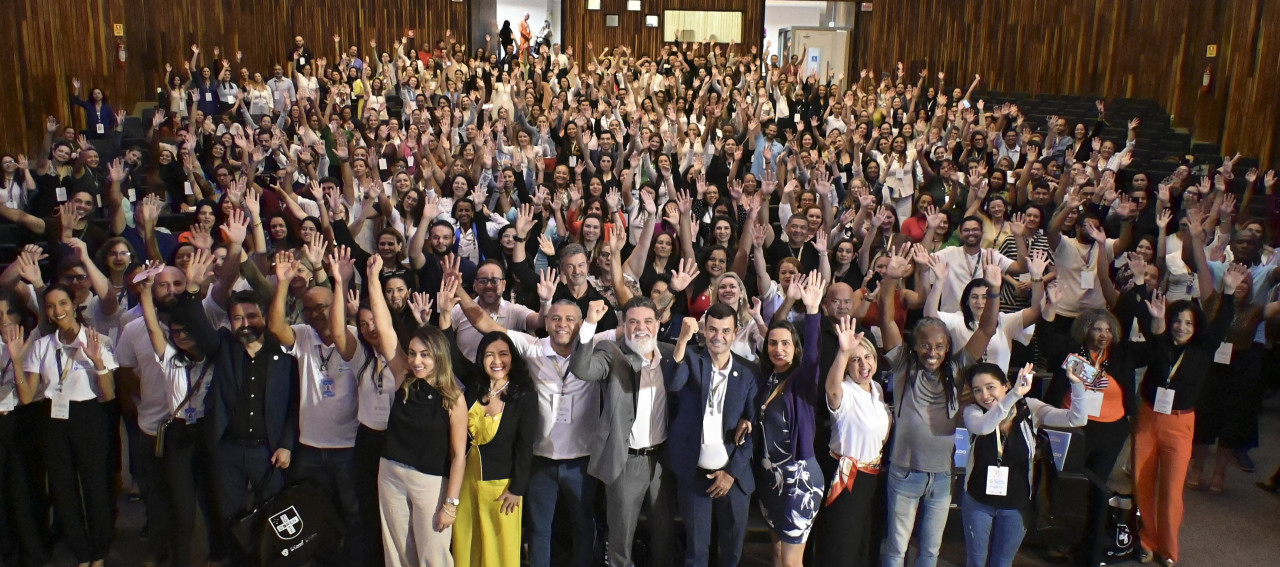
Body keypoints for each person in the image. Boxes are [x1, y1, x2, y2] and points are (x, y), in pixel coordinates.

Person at [878, 246, 1001, 567]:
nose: (932, 352)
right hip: (906, 473)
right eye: (925, 345)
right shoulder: (903, 365)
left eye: (940, 346)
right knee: (896, 550)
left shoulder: (957, 369)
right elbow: (886, 319)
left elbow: (987, 329)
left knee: (930, 552)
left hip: (943, 476)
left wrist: (993, 291)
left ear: (948, 348)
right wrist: (890, 279)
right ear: (915, 346)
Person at [1132, 265, 1243, 566]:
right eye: (1177, 321)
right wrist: (1141, 287)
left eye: (1188, 323)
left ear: (1196, 327)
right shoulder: (1159, 342)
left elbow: (1222, 322)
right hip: (1148, 419)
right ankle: (1145, 541)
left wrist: (1229, 291)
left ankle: (1168, 549)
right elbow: (1143, 316)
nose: (1181, 327)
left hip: (1180, 425)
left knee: (1171, 492)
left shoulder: (1203, 349)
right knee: (1142, 483)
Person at [569, 297, 676, 567]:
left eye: (648, 321)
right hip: (626, 461)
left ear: (658, 324)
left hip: (662, 461)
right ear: (623, 325)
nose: (641, 327)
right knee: (621, 540)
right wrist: (589, 323)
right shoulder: (611, 353)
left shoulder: (670, 354)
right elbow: (581, 368)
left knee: (664, 535)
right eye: (633, 322)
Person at [20, 284, 118, 567]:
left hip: (89, 416)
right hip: (53, 418)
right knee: (62, 488)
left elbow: (108, 394)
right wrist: (16, 359)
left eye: (63, 303)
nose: (58, 310)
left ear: (74, 305)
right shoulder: (42, 345)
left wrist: (97, 360)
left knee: (95, 485)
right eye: (51, 306)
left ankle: (99, 551)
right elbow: (28, 394)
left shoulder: (97, 340)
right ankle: (81, 551)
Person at [961, 362, 1088, 567]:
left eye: (990, 387)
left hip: (1016, 503)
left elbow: (1077, 419)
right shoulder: (973, 411)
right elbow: (983, 428)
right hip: (978, 501)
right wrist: (1013, 395)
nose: (985, 395)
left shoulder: (1029, 407)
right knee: (976, 561)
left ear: (1005, 385)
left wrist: (1077, 385)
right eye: (977, 390)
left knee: (1002, 563)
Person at [666, 303, 757, 567]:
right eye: (713, 329)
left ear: (735, 333)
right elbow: (673, 383)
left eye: (725, 330)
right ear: (704, 330)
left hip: (734, 476)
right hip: (695, 474)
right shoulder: (691, 358)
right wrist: (682, 340)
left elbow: (753, 428)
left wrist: (731, 473)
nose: (718, 336)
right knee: (696, 553)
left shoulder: (748, 372)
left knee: (732, 552)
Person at [377, 324, 467, 567]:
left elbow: (459, 456)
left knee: (434, 556)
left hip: (430, 483)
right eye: (412, 353)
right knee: (398, 554)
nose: (416, 361)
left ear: (439, 356)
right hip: (390, 475)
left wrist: (450, 504)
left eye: (425, 355)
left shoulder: (454, 398)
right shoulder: (403, 379)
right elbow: (385, 330)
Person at [751, 274, 826, 566]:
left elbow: (814, 357)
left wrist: (812, 311)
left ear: (795, 347)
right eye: (773, 343)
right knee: (777, 554)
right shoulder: (765, 378)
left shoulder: (802, 380)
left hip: (800, 480)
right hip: (770, 480)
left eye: (785, 343)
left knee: (792, 561)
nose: (778, 349)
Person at [812, 316, 891, 566]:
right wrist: (843, 352)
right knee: (841, 546)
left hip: (872, 478)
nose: (863, 364)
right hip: (848, 477)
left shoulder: (877, 389)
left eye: (867, 357)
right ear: (847, 365)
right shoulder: (844, 391)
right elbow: (831, 388)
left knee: (863, 546)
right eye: (855, 360)